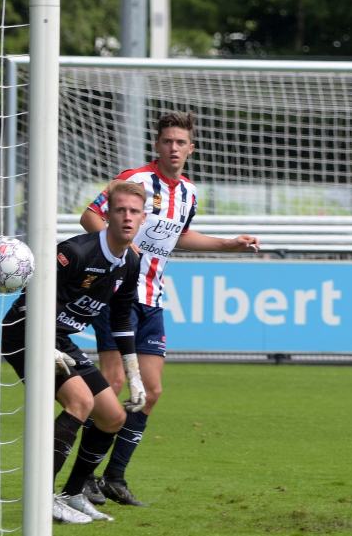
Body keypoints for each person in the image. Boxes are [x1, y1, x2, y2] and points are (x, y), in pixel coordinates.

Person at [79, 112, 260, 507]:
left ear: (190, 149)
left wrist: (227, 244)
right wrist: (122, 247)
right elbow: (90, 215)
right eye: (167, 141)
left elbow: (181, 236)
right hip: (117, 296)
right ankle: (84, 477)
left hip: (153, 300)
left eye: (180, 143)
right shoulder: (137, 181)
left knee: (152, 391)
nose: (173, 148)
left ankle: (115, 476)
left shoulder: (189, 194)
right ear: (157, 145)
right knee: (112, 386)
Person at [0, 180, 148, 524]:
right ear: (107, 215)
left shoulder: (130, 263)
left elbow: (122, 318)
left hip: (61, 340)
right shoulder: (76, 251)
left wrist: (134, 374)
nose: (127, 217)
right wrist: (44, 344)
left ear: (142, 219)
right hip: (26, 332)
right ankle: (41, 496)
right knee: (80, 401)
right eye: (121, 210)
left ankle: (73, 493)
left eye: (134, 211)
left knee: (113, 416)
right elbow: (33, 299)